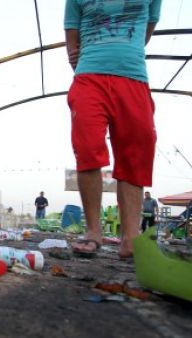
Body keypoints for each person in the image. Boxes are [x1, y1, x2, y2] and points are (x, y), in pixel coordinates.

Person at [65, 0, 161, 259]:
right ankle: (93, 231)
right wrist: (85, 59)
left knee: (137, 150)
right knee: (87, 147)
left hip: (133, 77)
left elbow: (144, 34)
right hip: (89, 77)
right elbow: (71, 40)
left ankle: (130, 237)